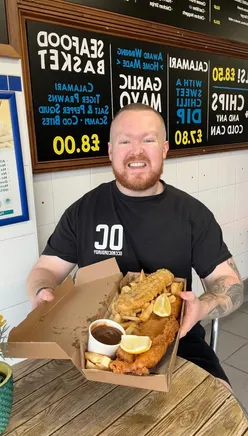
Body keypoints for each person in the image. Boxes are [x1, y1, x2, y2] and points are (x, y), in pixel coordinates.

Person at [27, 103, 243, 391]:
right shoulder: (83, 211)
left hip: (178, 340)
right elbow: (45, 269)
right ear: (111, 150)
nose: (136, 150)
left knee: (221, 396)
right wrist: (42, 292)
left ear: (164, 149)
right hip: (92, 345)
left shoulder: (193, 214)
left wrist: (202, 307)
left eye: (148, 140)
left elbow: (229, 283)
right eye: (125, 141)